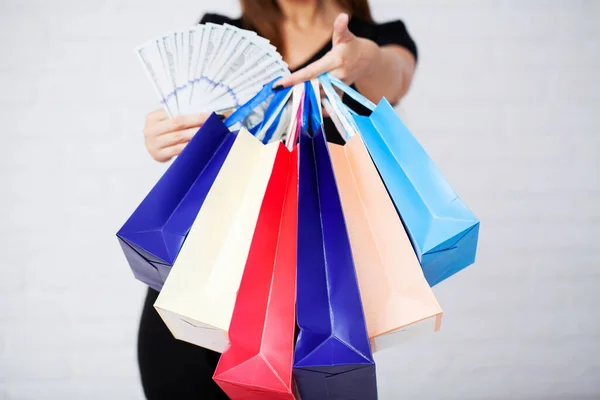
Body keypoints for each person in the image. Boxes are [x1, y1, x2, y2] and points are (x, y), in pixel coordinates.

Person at [138, 0, 418, 398]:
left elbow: (396, 76)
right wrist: (165, 131)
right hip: (201, 271)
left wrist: (366, 60)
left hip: (309, 291)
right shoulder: (219, 33)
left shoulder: (378, 39)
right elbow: (193, 126)